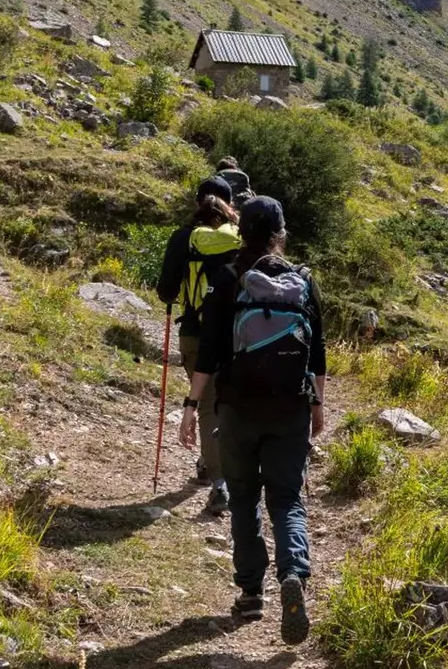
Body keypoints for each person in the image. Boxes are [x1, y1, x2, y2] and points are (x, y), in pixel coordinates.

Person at [178, 196, 327, 644]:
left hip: (237, 409)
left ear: (241, 231)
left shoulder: (227, 279)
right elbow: (317, 352)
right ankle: (292, 574)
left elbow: (209, 353)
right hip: (290, 408)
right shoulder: (303, 282)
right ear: (281, 234)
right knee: (287, 500)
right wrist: (318, 405)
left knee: (243, 499)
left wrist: (191, 405)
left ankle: (250, 594)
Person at [155, 177, 243, 518]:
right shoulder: (241, 238)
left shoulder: (182, 237)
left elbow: (165, 291)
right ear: (230, 204)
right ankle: (221, 466)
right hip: (236, 335)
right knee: (228, 403)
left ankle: (217, 480)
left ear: (198, 203)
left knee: (205, 405)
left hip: (194, 332)